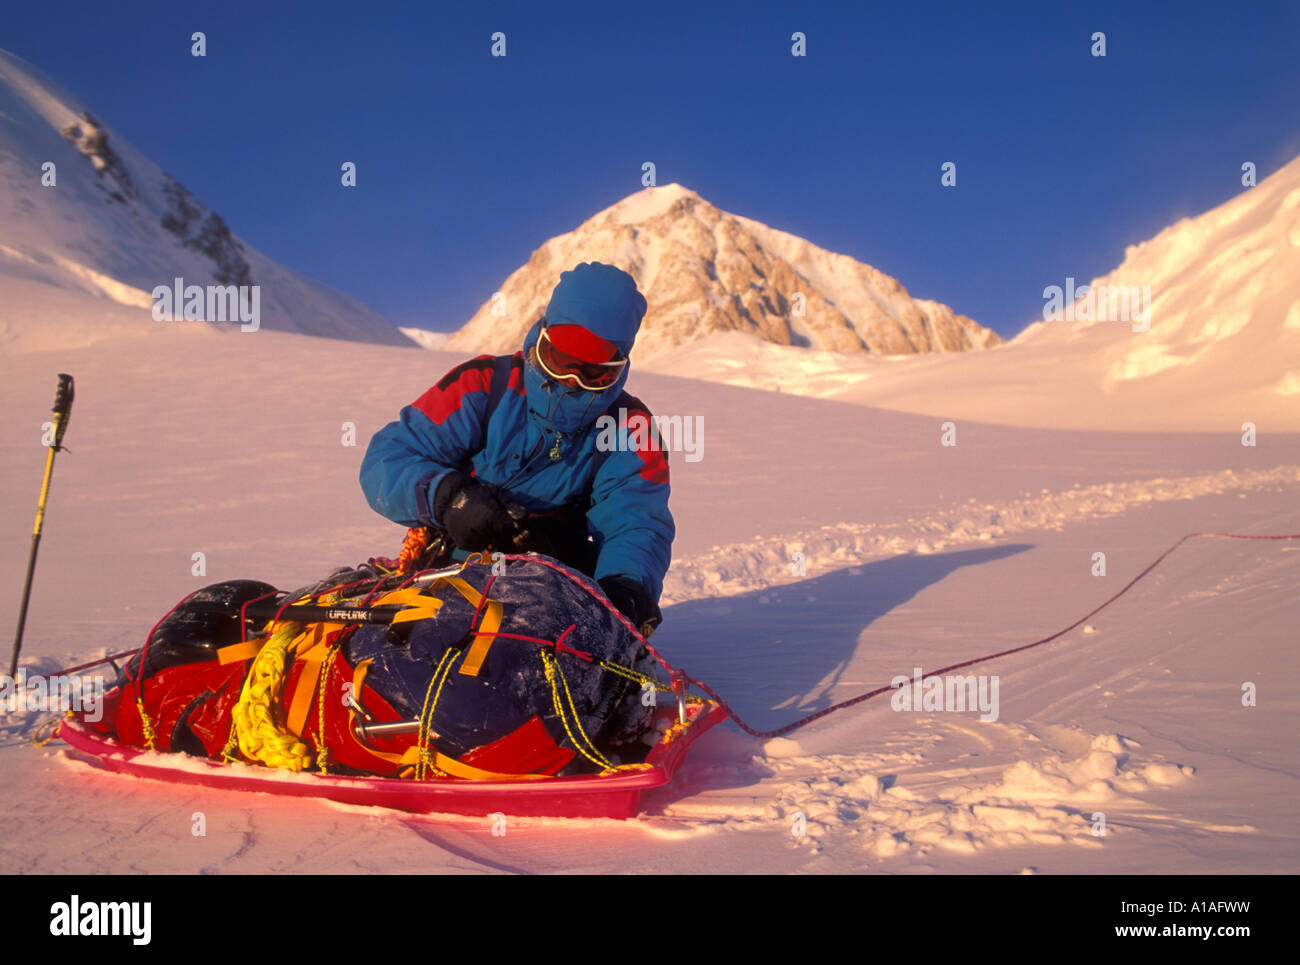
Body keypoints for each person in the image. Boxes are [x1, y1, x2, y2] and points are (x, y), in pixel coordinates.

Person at [360, 261, 673, 635]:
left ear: (619, 367)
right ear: (541, 339)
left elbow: (636, 522)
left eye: (594, 372)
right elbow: (388, 458)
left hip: (555, 591)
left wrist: (625, 589)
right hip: (449, 571)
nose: (571, 381)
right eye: (561, 359)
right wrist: (448, 497)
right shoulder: (483, 385)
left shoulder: (628, 427)